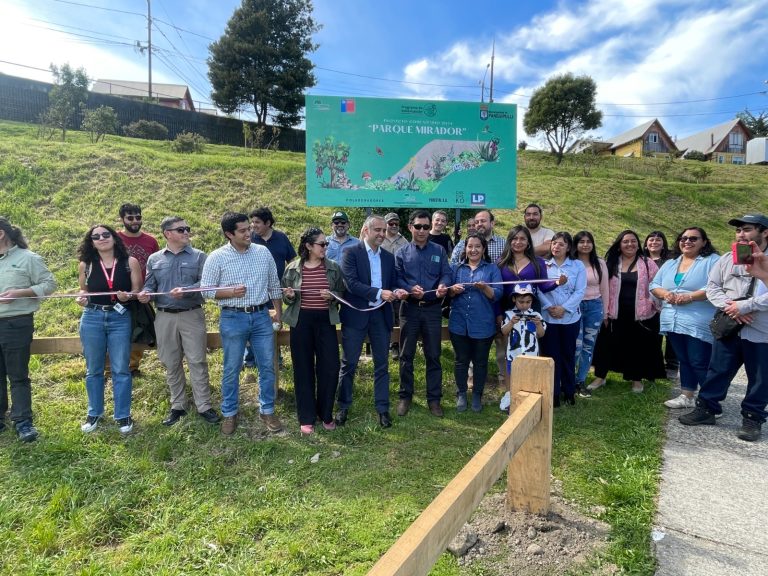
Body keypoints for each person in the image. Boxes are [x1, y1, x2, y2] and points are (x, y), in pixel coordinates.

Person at [679, 214, 768, 442]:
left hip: (761, 329)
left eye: (747, 229)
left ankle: (752, 418)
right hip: (730, 324)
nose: (741, 234)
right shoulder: (727, 259)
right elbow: (712, 287)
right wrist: (732, 307)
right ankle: (706, 409)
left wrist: (746, 306)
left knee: (760, 377)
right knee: (718, 369)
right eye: (738, 230)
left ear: (765, 232)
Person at [200, 212, 284, 436]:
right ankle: (230, 412)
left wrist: (278, 313)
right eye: (243, 230)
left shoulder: (263, 252)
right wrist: (230, 292)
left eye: (250, 228)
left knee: (267, 365)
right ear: (229, 234)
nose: (249, 233)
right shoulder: (217, 257)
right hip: (232, 317)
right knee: (232, 367)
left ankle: (267, 410)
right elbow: (206, 290)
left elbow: (274, 284)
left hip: (261, 316)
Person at [140, 216, 220, 426]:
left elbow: (207, 283)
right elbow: (150, 285)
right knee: (171, 362)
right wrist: (146, 294)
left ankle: (204, 405)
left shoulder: (199, 256)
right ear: (168, 234)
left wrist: (187, 290)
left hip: (191, 314)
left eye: (187, 228)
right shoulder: (154, 259)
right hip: (164, 316)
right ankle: (178, 405)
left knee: (197, 361)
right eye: (181, 229)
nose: (186, 232)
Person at [336, 215, 407, 428]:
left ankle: (383, 409)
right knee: (349, 363)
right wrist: (379, 293)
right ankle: (343, 406)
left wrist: (397, 290)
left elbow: (392, 283)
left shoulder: (388, 257)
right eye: (377, 230)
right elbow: (351, 284)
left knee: (382, 364)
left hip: (380, 316)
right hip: (355, 316)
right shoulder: (350, 253)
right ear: (366, 230)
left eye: (384, 230)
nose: (382, 234)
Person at [76, 224, 142, 434]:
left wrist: (128, 296)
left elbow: (137, 290)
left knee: (121, 368)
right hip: (92, 317)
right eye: (96, 236)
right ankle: (94, 413)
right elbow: (84, 290)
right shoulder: (86, 264)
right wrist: (81, 298)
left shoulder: (130, 262)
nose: (102, 238)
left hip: (120, 317)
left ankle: (123, 415)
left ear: (114, 237)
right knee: (93, 369)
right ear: (91, 242)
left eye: (106, 234)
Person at [282, 227, 345, 434]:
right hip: (301, 322)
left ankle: (325, 414)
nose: (325, 247)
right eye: (322, 244)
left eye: (326, 244)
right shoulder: (292, 268)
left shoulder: (333, 267)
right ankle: (306, 416)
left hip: (326, 321)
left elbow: (341, 292)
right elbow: (286, 296)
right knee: (303, 368)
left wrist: (333, 296)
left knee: (330, 367)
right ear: (309, 246)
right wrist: (289, 296)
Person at [0, 218, 56, 442]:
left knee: (17, 375)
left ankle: (23, 422)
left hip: (16, 323)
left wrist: (20, 293)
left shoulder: (28, 258)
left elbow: (49, 284)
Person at [650, 227, 719, 409]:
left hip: (698, 320)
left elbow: (716, 286)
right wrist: (665, 294)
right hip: (673, 320)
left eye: (693, 239)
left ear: (704, 242)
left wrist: (690, 296)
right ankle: (687, 396)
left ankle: (710, 403)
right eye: (683, 238)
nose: (687, 241)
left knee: (699, 361)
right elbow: (654, 284)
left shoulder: (713, 261)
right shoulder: (671, 262)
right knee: (684, 359)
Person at [589, 230, 664, 394]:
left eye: (633, 241)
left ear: (638, 244)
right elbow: (603, 288)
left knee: (636, 347)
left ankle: (636, 380)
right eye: (626, 242)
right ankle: (600, 377)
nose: (630, 244)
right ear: (619, 245)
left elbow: (658, 285)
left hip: (640, 314)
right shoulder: (611, 264)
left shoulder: (647, 263)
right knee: (605, 346)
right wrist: (605, 312)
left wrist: (653, 305)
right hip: (614, 313)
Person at [395, 210, 452, 417]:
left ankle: (434, 399)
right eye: (418, 226)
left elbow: (446, 273)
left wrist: (443, 284)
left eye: (426, 227)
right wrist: (409, 288)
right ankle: (405, 397)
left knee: (434, 355)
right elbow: (397, 277)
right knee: (406, 355)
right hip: (409, 309)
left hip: (432, 309)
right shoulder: (401, 252)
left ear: (430, 228)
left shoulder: (439, 250)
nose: (422, 230)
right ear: (410, 227)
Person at [496, 225, 560, 389]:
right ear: (509, 241)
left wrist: (557, 283)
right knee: (508, 349)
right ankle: (509, 387)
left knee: (531, 346)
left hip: (530, 308)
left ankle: (529, 386)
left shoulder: (538, 262)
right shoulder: (501, 262)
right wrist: (498, 314)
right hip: (508, 310)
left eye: (522, 239)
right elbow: (498, 291)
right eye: (515, 238)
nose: (518, 242)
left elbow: (543, 286)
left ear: (528, 242)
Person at [448, 232, 502, 412]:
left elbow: (497, 295)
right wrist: (453, 290)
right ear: (465, 248)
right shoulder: (456, 268)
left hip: (483, 324)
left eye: (477, 246)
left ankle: (478, 394)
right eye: (470, 246)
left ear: (484, 249)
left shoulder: (492, 269)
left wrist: (485, 288)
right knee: (461, 360)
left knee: (480, 362)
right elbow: (447, 292)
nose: (473, 250)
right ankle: (461, 393)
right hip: (459, 324)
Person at [245, 207, 296, 369]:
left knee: (275, 324)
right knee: (252, 323)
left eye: (257, 222)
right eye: (252, 222)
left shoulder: (281, 238)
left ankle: (276, 359)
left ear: (268, 223)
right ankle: (250, 360)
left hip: (276, 292)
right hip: (254, 291)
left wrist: (292, 282)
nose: (253, 225)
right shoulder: (249, 239)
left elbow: (292, 261)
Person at [538, 232, 586, 406]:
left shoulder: (577, 265)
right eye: (554, 243)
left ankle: (569, 390)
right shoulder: (543, 264)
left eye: (561, 244)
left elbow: (580, 291)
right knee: (551, 356)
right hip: (548, 317)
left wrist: (563, 308)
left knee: (568, 354)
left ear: (568, 247)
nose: (556, 247)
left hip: (569, 318)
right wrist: (549, 307)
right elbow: (538, 288)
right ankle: (554, 393)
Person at [116, 203, 159, 376]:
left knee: (139, 329)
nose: (135, 221)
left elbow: (156, 266)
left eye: (138, 217)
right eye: (130, 218)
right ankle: (110, 369)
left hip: (142, 294)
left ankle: (133, 366)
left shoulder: (151, 241)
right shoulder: (114, 239)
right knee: (116, 331)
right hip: (119, 294)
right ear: (122, 219)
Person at [572, 231, 609, 397]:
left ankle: (580, 381)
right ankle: (569, 380)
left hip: (594, 306)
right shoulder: (571, 262)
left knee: (588, 346)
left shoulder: (599, 263)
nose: (585, 245)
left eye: (588, 241)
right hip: (575, 307)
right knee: (576, 345)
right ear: (576, 244)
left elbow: (605, 288)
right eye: (581, 241)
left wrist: (605, 313)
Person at [499, 284, 547, 411]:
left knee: (530, 377)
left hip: (531, 355)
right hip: (513, 354)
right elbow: (504, 331)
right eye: (521, 302)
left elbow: (541, 334)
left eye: (528, 302)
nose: (524, 305)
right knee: (511, 375)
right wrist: (511, 323)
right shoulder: (509, 314)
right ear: (514, 299)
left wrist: (538, 325)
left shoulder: (536, 315)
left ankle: (528, 399)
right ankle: (509, 396)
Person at [644, 230, 679, 381]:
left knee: (670, 334)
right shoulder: (641, 260)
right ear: (646, 244)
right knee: (652, 335)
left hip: (667, 301)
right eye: (651, 240)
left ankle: (672, 365)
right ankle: (652, 364)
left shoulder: (671, 261)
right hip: (646, 303)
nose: (654, 242)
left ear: (663, 244)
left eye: (658, 240)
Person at [382, 212, 408, 359]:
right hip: (382, 281)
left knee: (398, 314)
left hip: (397, 280)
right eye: (390, 223)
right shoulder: (379, 238)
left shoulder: (404, 241)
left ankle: (395, 346)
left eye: (396, 223)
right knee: (382, 313)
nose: (393, 226)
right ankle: (381, 344)